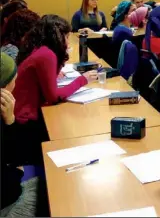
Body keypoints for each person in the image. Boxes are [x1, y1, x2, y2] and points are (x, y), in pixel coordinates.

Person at [14, 15, 98, 126]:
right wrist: (82, 80)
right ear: (57, 37)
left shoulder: (40, 49)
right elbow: (53, 97)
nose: (68, 42)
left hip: (22, 113)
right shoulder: (47, 55)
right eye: (66, 37)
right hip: (25, 120)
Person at [0, 53, 45, 217]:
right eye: (15, 80)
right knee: (50, 188)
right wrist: (10, 121)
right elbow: (17, 158)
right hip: (7, 203)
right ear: (4, 90)